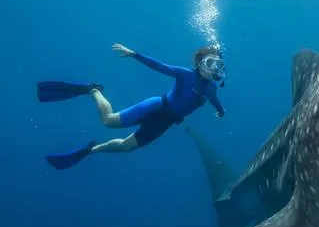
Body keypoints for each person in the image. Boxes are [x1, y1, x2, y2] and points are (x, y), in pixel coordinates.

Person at [37, 43, 226, 170]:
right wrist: (135, 54)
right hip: (156, 107)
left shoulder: (211, 89)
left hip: (166, 122)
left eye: (218, 64)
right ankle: (93, 90)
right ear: (200, 63)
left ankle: (90, 150)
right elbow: (159, 66)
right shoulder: (185, 75)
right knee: (108, 121)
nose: (214, 68)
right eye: (210, 62)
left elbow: (214, 101)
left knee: (127, 147)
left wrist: (220, 111)